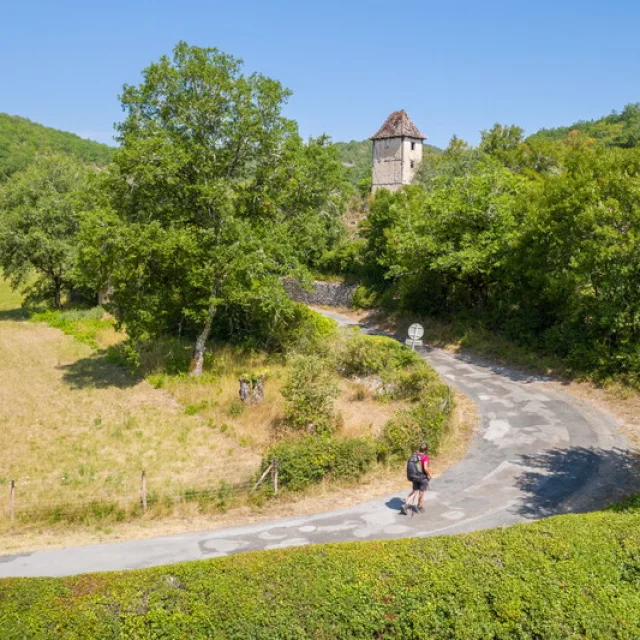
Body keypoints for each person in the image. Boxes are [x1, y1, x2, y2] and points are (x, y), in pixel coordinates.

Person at [400, 443, 431, 515]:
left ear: (419, 448)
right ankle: (419, 506)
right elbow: (425, 468)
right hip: (422, 478)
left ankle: (405, 505)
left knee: (414, 491)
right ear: (426, 450)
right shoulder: (425, 457)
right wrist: (429, 474)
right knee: (421, 492)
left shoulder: (414, 456)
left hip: (414, 477)